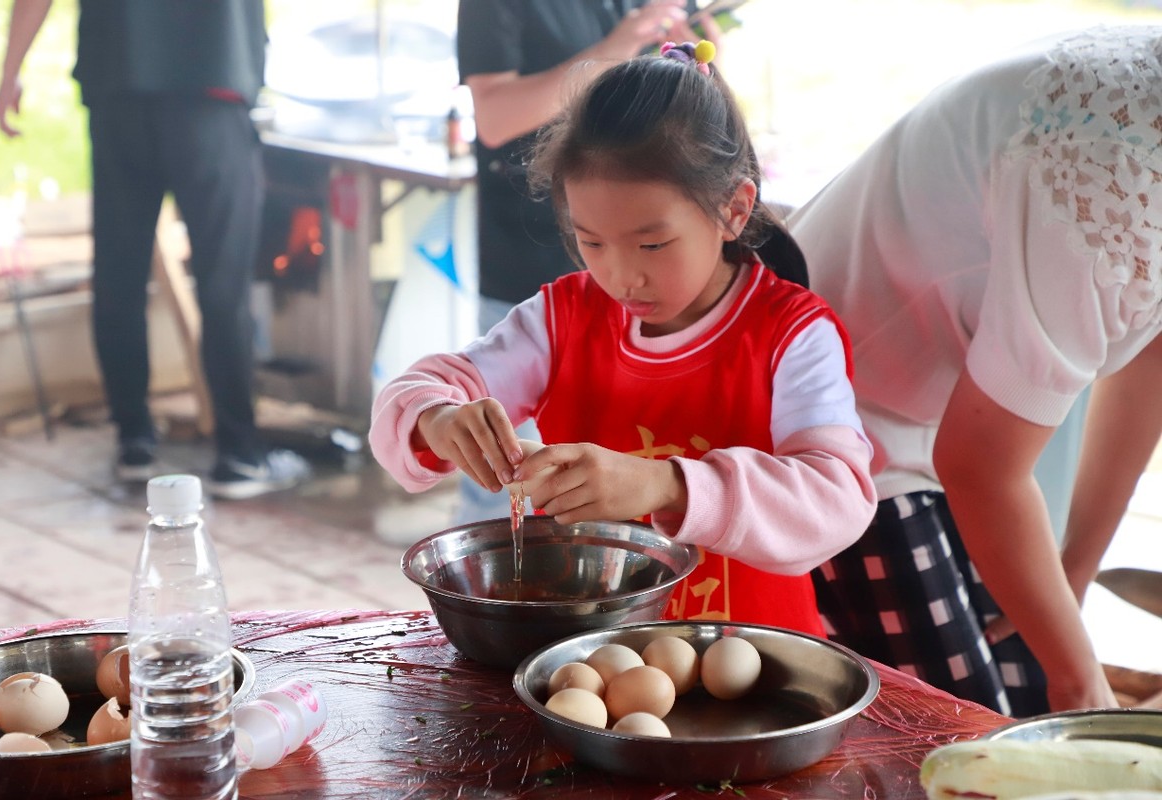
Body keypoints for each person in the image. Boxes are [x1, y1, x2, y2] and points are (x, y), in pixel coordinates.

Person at [370, 42, 877, 631]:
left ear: (734, 209)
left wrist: (666, 485)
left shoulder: (791, 333)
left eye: (653, 244)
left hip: (757, 665)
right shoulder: (563, 317)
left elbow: (837, 498)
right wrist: (437, 418)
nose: (620, 276)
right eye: (591, 242)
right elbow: (419, 390)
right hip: (586, 659)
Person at [788, 25, 1162, 716]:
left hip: (938, 411)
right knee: (967, 729)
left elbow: (1149, 359)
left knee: (1025, 678)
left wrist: (1075, 567)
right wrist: (1083, 688)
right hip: (826, 421)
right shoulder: (1113, 186)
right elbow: (980, 466)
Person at [0, 0, 311, 499]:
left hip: (119, 82)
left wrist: (11, 69)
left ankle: (134, 442)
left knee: (119, 273)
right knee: (222, 286)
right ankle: (238, 455)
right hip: (212, 84)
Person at [451, 0, 711, 524]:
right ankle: (492, 600)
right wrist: (616, 50)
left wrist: (687, 67)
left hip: (639, 284)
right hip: (529, 263)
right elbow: (495, 118)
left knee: (627, 474)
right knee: (506, 482)